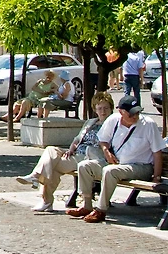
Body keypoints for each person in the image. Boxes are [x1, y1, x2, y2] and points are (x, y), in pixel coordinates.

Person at [67, 94, 163, 223]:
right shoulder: (113, 120)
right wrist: (106, 152)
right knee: (84, 166)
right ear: (121, 112)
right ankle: (86, 205)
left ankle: (101, 210)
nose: (135, 116)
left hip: (141, 166)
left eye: (137, 113)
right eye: (131, 114)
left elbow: (157, 152)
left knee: (110, 171)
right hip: (117, 163)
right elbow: (103, 140)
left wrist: (157, 177)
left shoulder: (148, 124)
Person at [16, 91, 115, 212]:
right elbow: (77, 139)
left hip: (89, 156)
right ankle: (37, 180)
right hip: (76, 153)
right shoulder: (91, 122)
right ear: (95, 109)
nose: (103, 111)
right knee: (50, 150)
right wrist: (71, 149)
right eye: (100, 108)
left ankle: (44, 196)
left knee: (53, 166)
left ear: (111, 108)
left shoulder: (112, 124)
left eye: (106, 108)